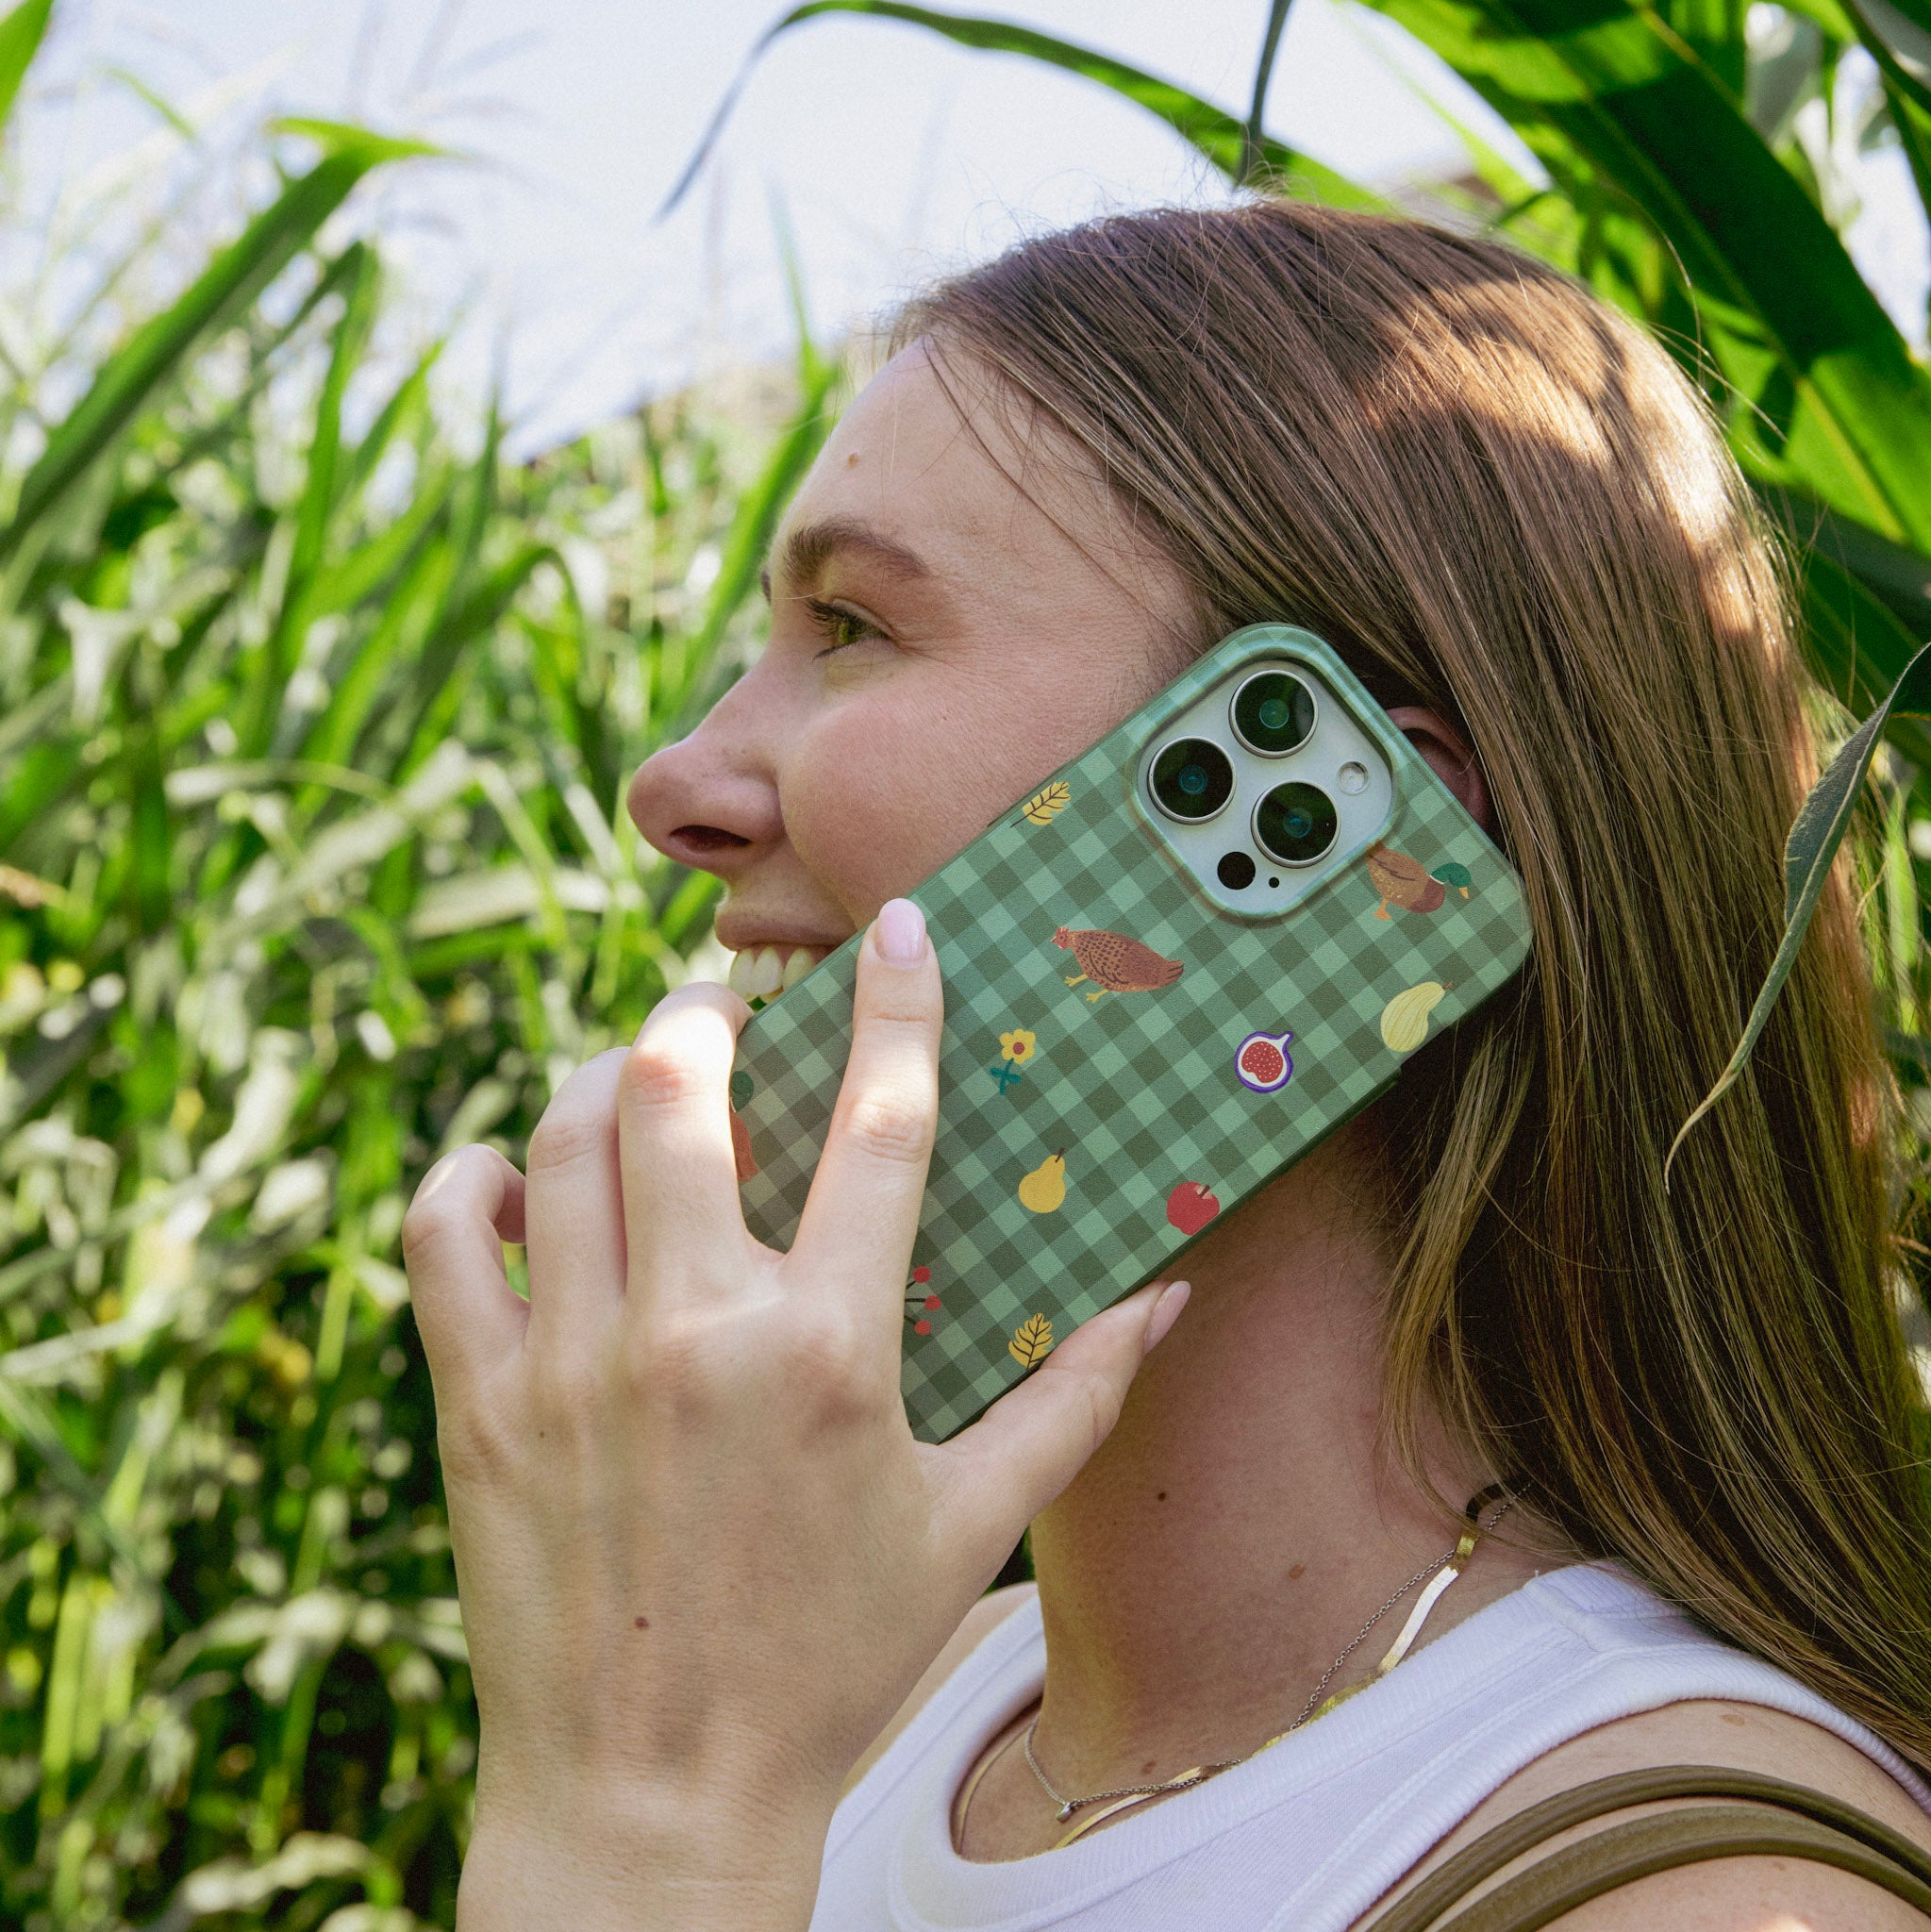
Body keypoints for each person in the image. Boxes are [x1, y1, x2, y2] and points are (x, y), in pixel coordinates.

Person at [400, 202, 1931, 1930]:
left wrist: (637, 1822)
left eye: (853, 626)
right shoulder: (874, 1702)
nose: (674, 784)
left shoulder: (1702, 1894)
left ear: (1367, 854)